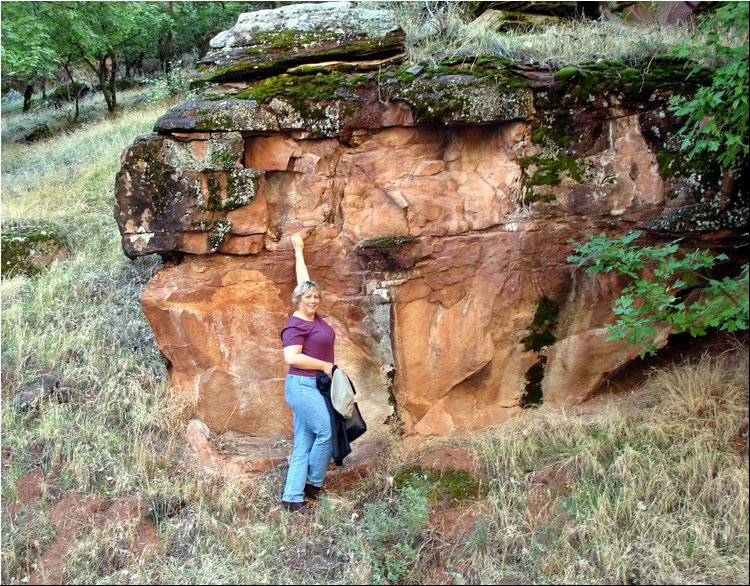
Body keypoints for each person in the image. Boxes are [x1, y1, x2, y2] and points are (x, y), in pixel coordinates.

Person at [279, 232, 335, 512]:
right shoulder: (296, 324)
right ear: (299, 300)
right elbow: (292, 356)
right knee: (326, 433)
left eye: (316, 296)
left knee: (304, 441)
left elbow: (303, 279)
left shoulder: (315, 317)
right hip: (302, 386)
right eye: (308, 297)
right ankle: (313, 483)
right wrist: (325, 365)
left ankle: (292, 498)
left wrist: (298, 250)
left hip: (315, 386)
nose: (313, 300)